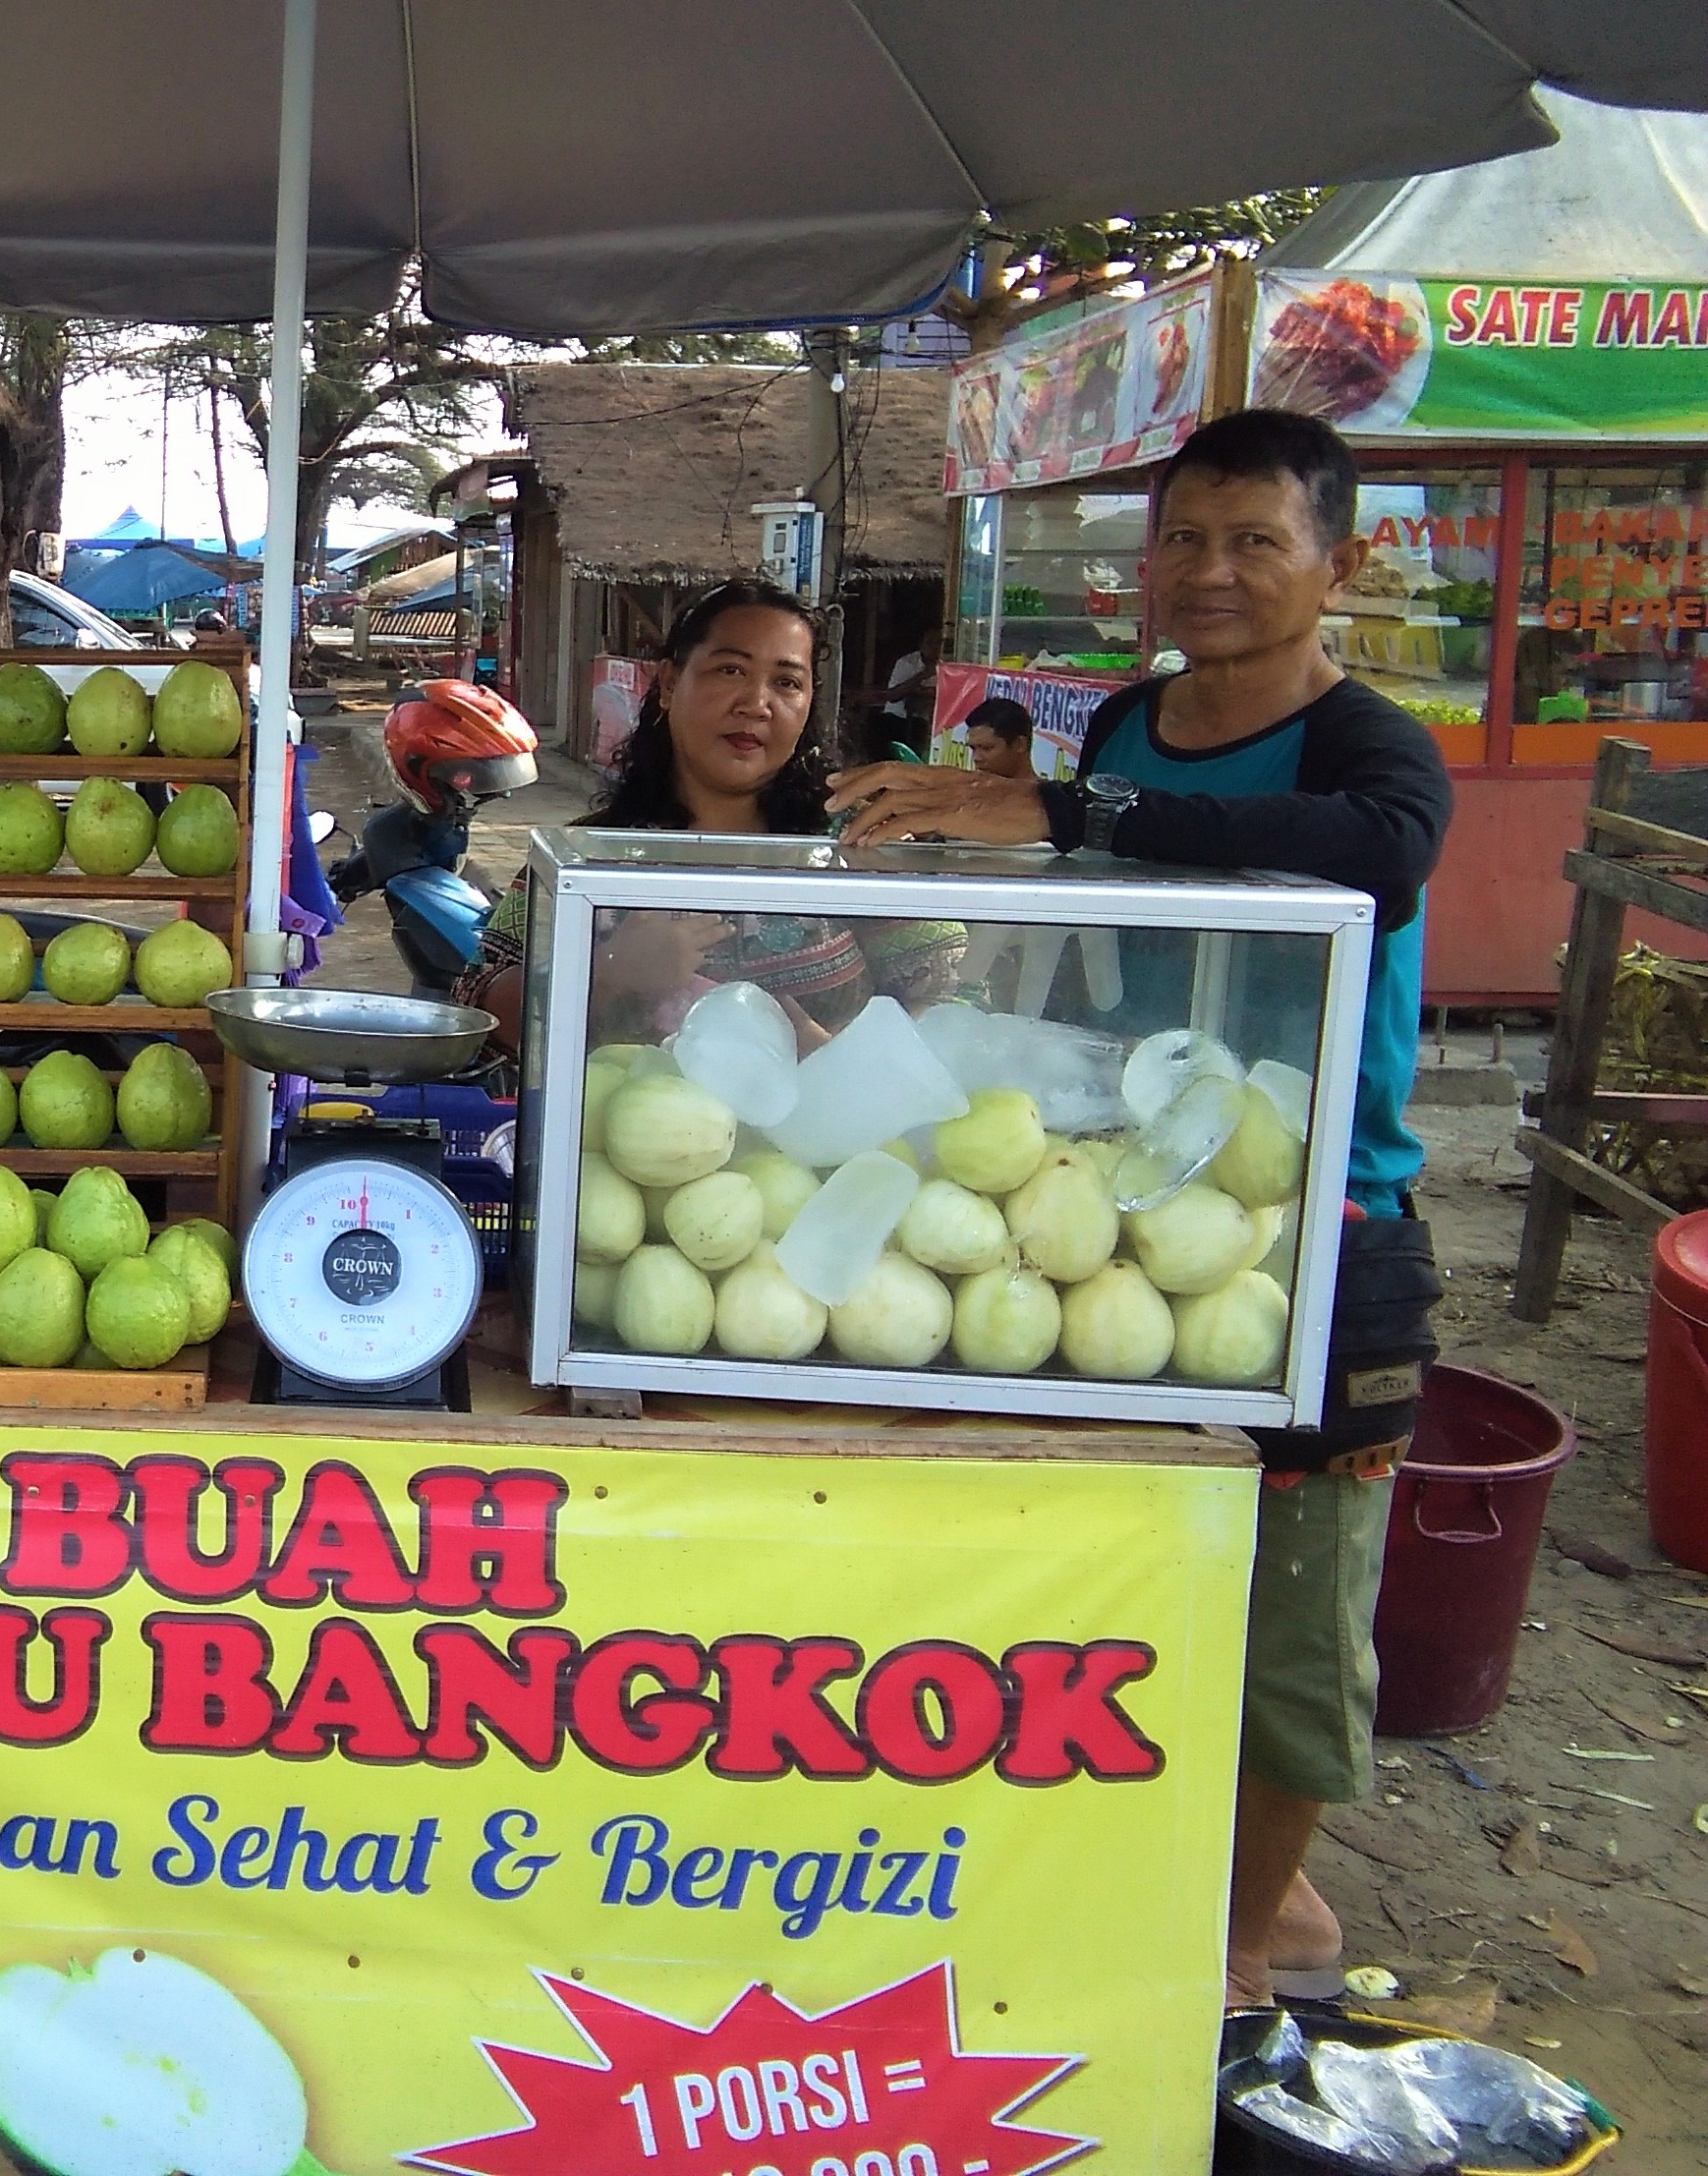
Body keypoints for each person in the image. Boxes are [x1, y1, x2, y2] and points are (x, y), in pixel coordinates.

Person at [827, 408, 1454, 2013]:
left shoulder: (1369, 748)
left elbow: (1364, 862)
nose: (1211, 570)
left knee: (1294, 1612)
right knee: (1123, 1565)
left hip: (1317, 1224)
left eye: (1255, 539)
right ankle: (1228, 1887)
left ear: (1340, 558)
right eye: (1183, 536)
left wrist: (1064, 816)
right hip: (1112, 1193)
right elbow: (1102, 913)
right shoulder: (1120, 723)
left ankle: (1240, 1952)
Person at [458, 579, 961, 1057]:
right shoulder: (588, 857)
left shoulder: (855, 849)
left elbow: (955, 999)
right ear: (671, 682)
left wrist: (838, 1061)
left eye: (786, 681)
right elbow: (473, 1008)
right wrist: (608, 975)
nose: (756, 704)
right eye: (730, 670)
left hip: (825, 1143)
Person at [962, 694, 1038, 780]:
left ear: (1019, 744)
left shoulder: (1045, 794)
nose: (976, 758)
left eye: (986, 748)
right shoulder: (968, 791)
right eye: (973, 748)